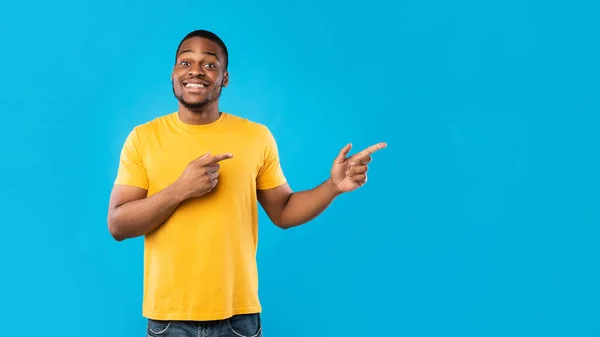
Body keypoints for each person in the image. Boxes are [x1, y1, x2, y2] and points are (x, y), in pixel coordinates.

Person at [107, 29, 386, 337]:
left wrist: (333, 186)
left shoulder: (255, 137)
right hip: (168, 319)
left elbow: (284, 211)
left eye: (209, 64)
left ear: (225, 78)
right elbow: (118, 224)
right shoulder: (143, 139)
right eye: (186, 62)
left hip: (237, 319)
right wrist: (180, 190)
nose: (196, 70)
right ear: (173, 74)